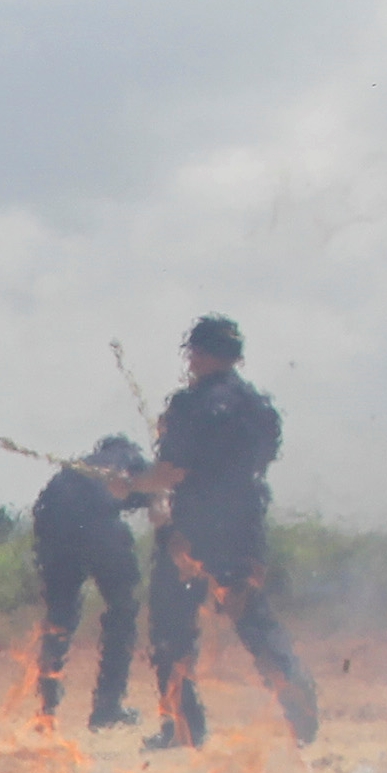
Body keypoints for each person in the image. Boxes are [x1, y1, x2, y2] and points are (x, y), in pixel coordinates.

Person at [124, 315, 319, 747]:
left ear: (198, 354)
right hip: (245, 526)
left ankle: (183, 729)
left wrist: (131, 484)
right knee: (253, 619)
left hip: (192, 532)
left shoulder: (189, 407)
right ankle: (297, 698)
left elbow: (171, 472)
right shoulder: (259, 409)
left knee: (171, 632)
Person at [32, 434, 146, 728]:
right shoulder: (129, 460)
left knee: (59, 615)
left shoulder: (80, 467)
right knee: (123, 608)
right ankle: (107, 707)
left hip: (52, 521)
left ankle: (46, 707)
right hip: (96, 523)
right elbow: (153, 490)